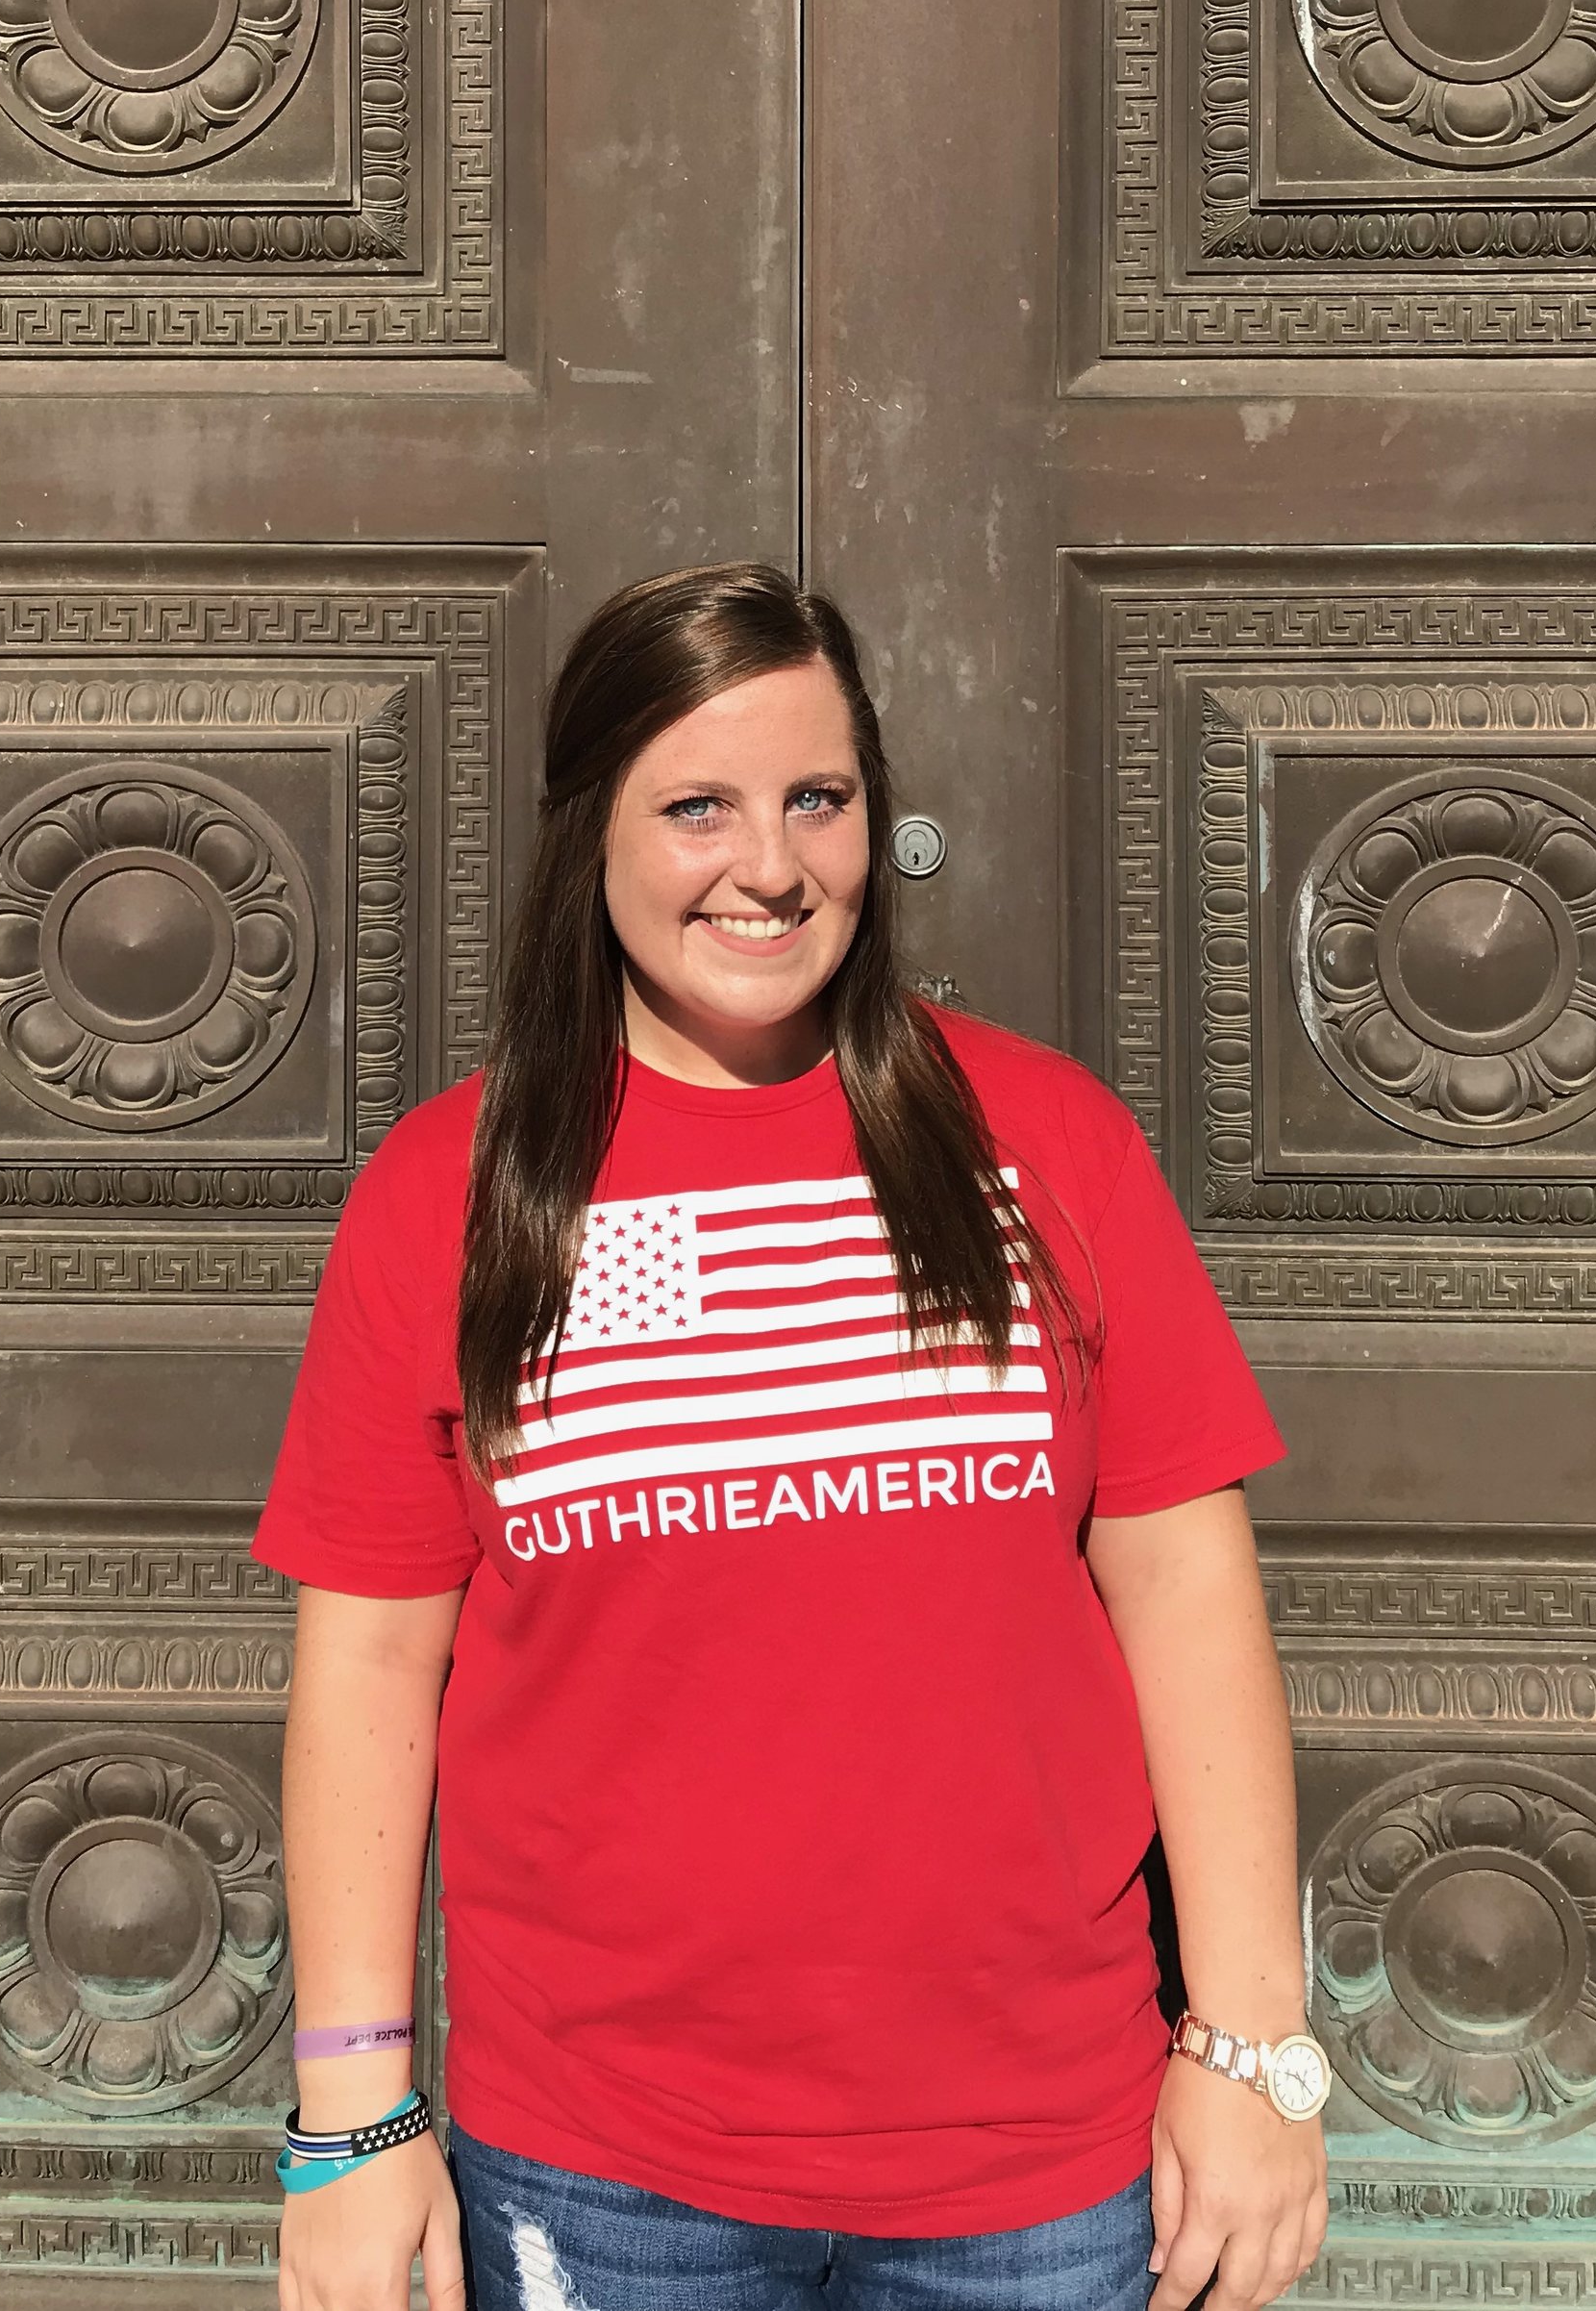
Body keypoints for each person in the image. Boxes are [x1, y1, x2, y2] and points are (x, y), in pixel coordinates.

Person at [256, 563, 1330, 2311]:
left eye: (816, 798)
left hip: (1039, 2166)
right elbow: (373, 1664)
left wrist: (1256, 2043)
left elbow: (1188, 1603)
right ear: (588, 831)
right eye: (698, 806)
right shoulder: (446, 1195)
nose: (769, 864)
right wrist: (352, 2125)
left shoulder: (1048, 1143)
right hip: (602, 2174)